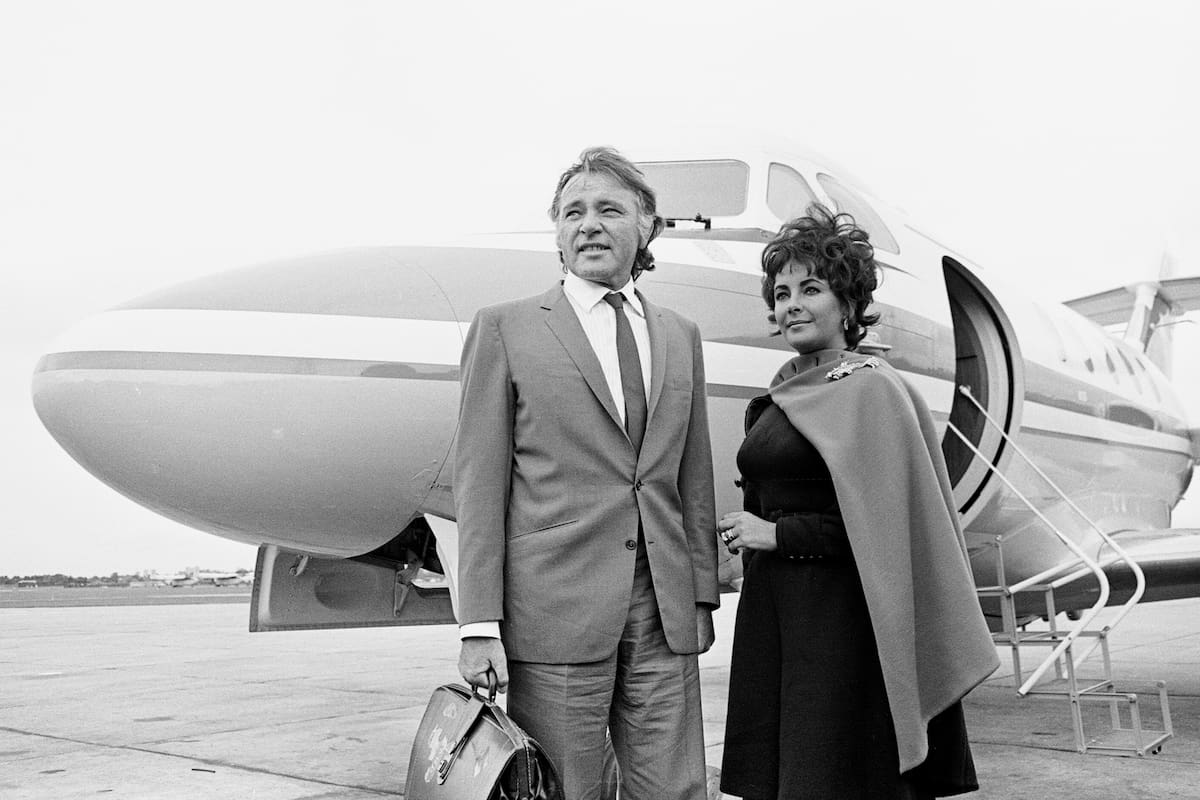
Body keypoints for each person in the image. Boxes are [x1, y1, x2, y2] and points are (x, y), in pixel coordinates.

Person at [454, 146, 720, 800]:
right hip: (554, 610)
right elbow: (479, 487)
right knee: (568, 788)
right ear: (558, 232)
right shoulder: (505, 329)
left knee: (676, 788)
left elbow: (694, 478)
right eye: (573, 212)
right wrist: (478, 624)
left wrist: (703, 593)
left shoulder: (681, 335)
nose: (589, 224)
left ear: (648, 225)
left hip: (663, 607)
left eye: (609, 209)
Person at [717, 205, 999, 799]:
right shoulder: (785, 394)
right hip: (777, 617)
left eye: (810, 288)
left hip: (842, 626)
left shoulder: (872, 390)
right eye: (782, 291)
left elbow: (890, 535)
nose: (791, 303)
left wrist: (776, 534)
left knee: (833, 775)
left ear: (847, 305)